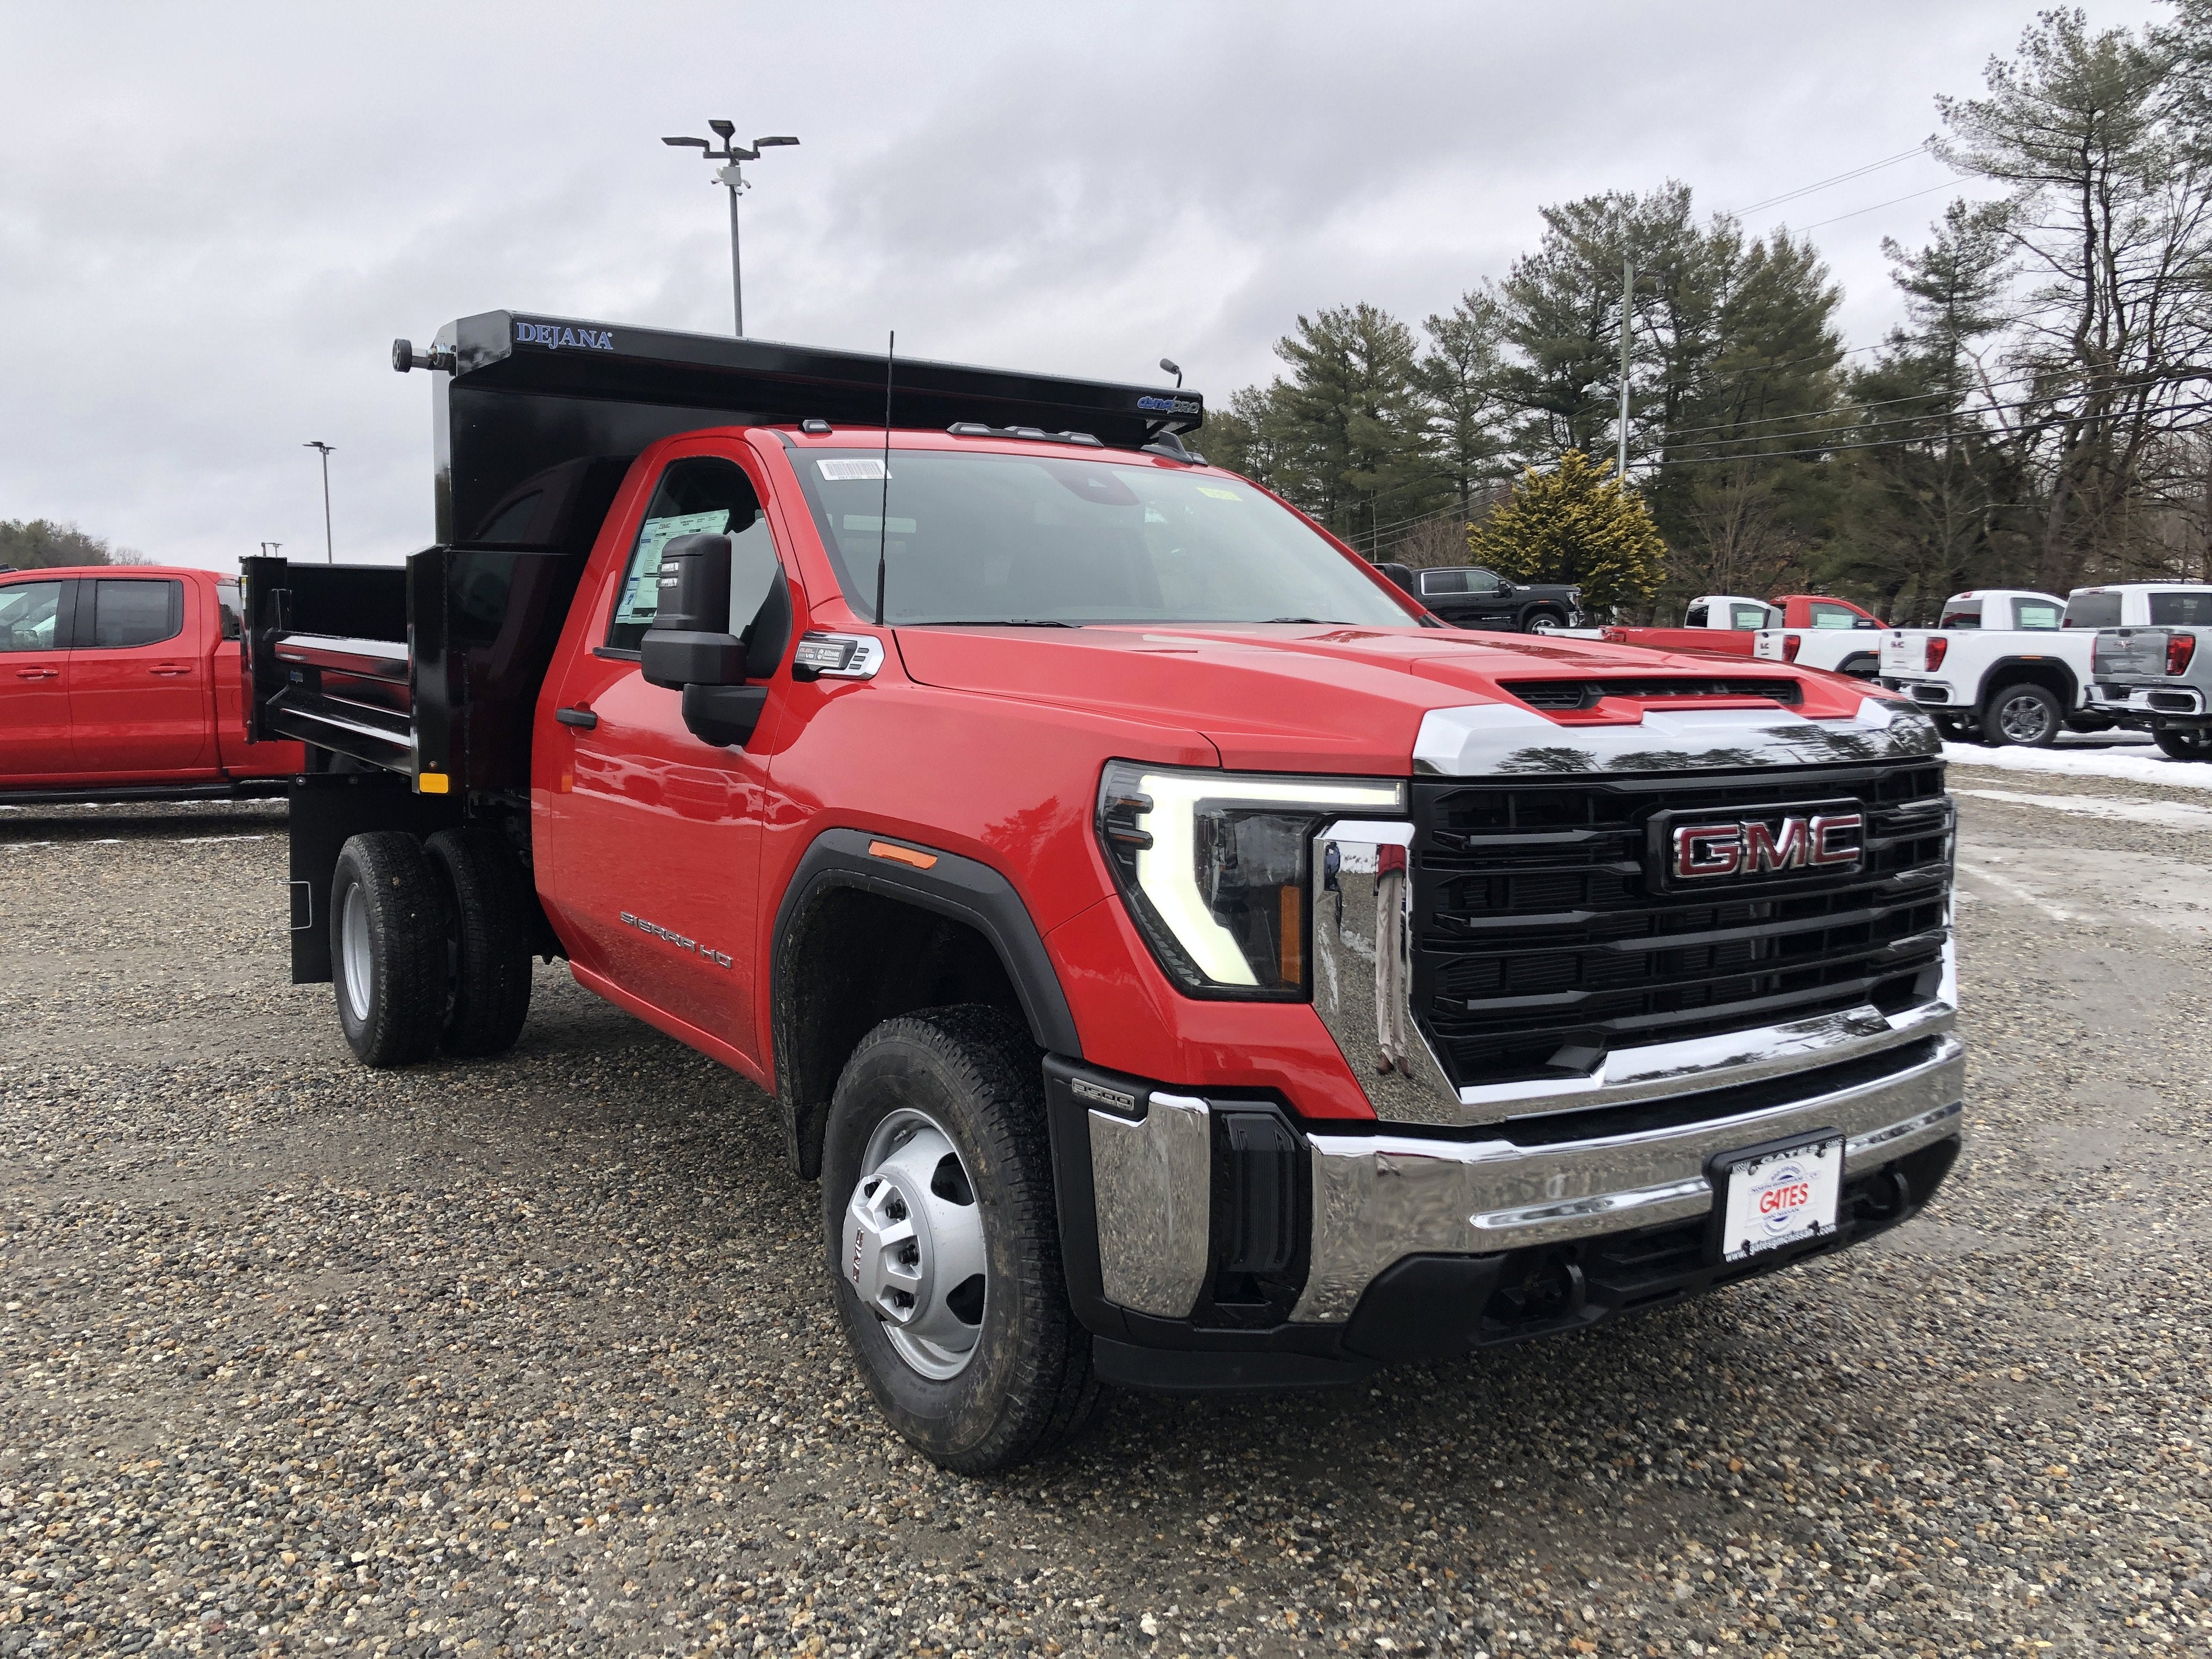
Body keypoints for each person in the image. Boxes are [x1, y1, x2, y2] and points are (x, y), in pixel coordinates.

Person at [1373, 840, 1410, 1074]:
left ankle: (1400, 1048)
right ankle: (1387, 1048)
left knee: (1397, 967)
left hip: (1402, 865)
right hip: (1385, 866)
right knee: (1382, 965)